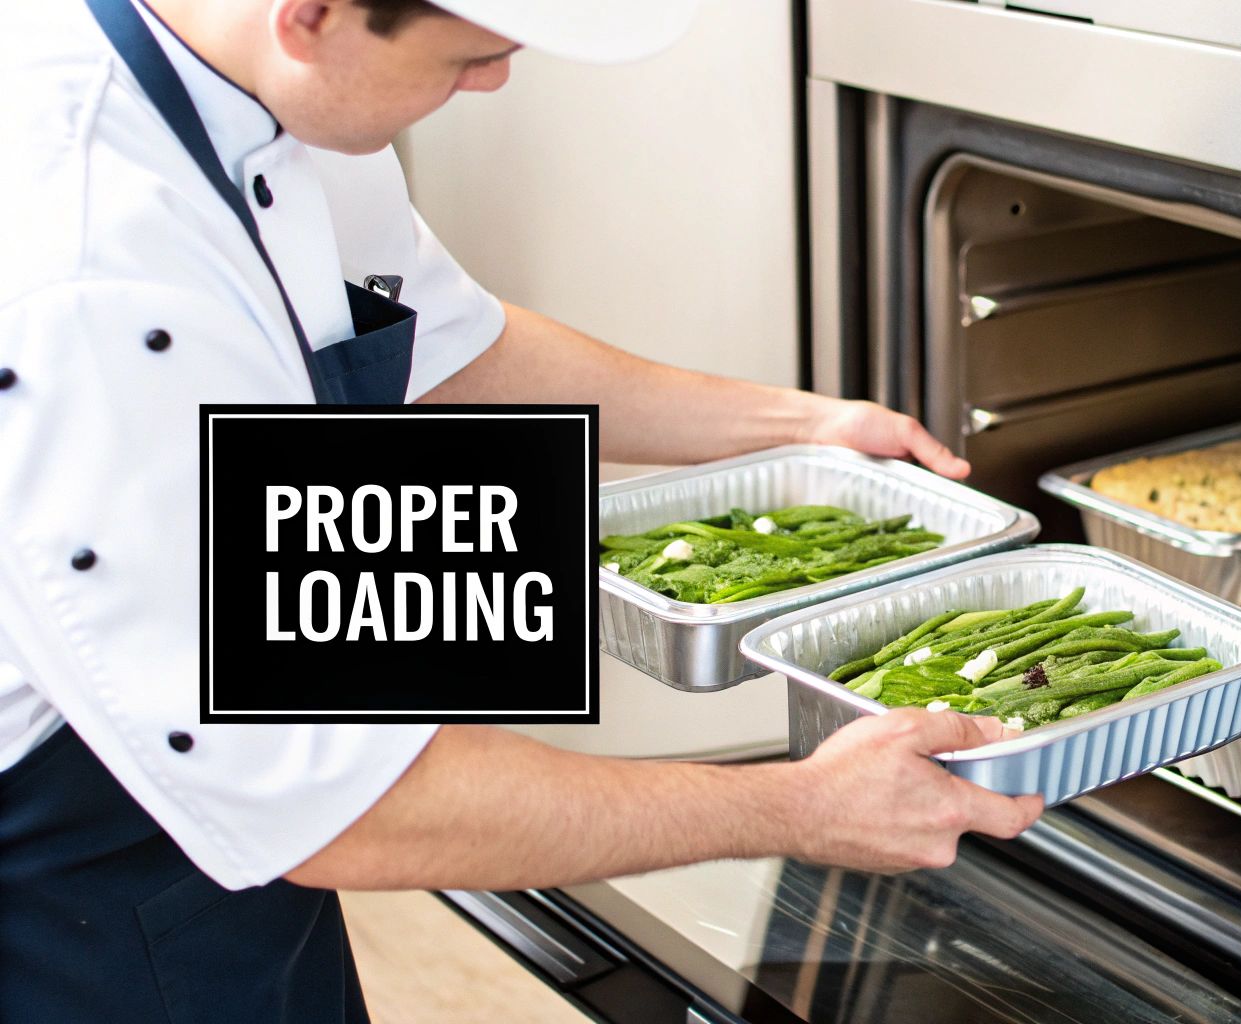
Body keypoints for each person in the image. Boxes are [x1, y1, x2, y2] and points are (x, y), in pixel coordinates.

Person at [0, 1, 1046, 1019]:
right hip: (67, 897)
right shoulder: (94, 280)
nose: (496, 79)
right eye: (472, 56)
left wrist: (794, 425)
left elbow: (451, 350)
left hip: (225, 861)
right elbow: (350, 802)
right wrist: (803, 805)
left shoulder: (273, 94)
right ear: (310, 15)